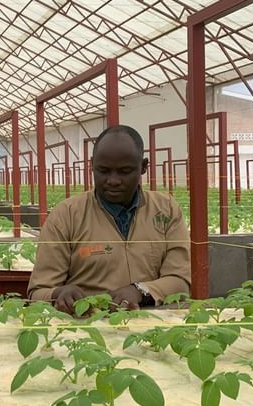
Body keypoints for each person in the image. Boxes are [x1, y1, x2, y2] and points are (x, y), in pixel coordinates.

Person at [27, 125, 190, 313]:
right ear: (92, 165)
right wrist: (59, 294)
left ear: (143, 167)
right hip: (85, 328)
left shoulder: (165, 210)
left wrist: (141, 291)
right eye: (103, 171)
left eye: (124, 171)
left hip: (150, 328)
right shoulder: (66, 215)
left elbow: (180, 280)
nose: (113, 180)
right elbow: (37, 292)